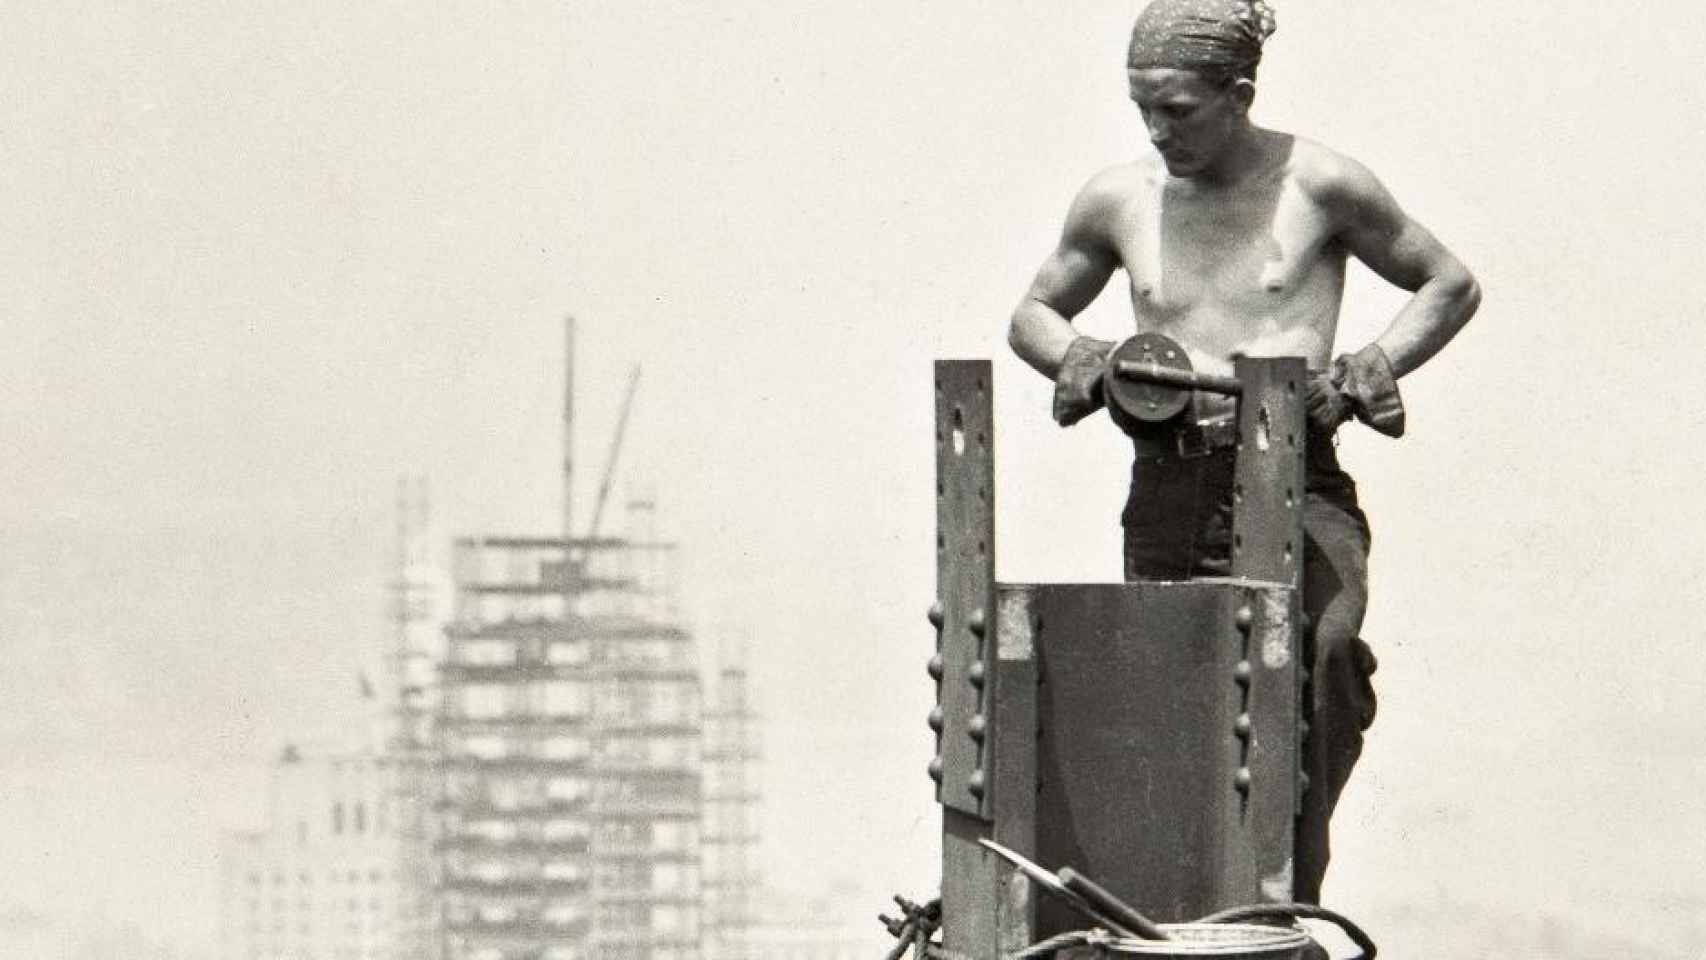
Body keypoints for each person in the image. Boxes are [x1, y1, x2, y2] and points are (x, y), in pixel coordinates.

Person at [1006, 0, 1481, 906]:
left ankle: (1283, 897)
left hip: (1300, 475)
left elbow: (1447, 283)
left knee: (1327, 662)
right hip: (1170, 481)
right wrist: (1088, 361)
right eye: (1143, 108)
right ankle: (1172, 907)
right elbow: (1033, 314)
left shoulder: (1323, 184)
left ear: (1240, 94)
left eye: (1179, 109)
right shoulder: (1118, 197)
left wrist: (1367, 368)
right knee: (1168, 686)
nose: (1158, 130)